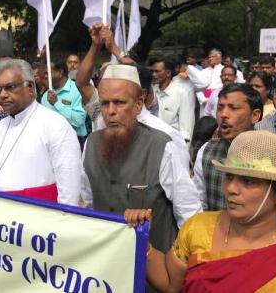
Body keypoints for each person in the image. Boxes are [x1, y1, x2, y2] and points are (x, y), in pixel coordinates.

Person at [125, 130, 276, 292]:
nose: (231, 189)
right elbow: (169, 285)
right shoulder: (198, 227)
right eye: (229, 177)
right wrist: (140, 241)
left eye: (249, 181)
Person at [81, 65, 202, 267]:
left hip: (153, 270)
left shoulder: (163, 145)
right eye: (104, 103)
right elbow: (88, 202)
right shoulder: (91, 144)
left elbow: (189, 213)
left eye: (119, 103)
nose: (110, 111)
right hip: (107, 266)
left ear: (138, 104)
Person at [0, 59, 82, 205]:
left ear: (30, 87)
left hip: (39, 221)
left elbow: (70, 191)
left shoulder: (55, 125)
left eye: (10, 87)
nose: (2, 95)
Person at [193, 84, 263, 210]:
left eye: (233, 108)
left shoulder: (272, 150)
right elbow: (199, 201)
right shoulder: (207, 150)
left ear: (255, 115)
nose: (224, 114)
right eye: (220, 108)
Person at [41, 60, 87, 146]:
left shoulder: (77, 90)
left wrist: (57, 103)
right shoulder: (46, 96)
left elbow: (79, 120)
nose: (45, 76)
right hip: (51, 142)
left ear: (60, 72)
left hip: (74, 141)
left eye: (48, 73)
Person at [151, 57, 196, 143]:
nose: (153, 74)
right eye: (152, 71)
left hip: (171, 144)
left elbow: (185, 129)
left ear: (168, 73)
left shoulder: (181, 93)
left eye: (157, 71)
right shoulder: (151, 92)